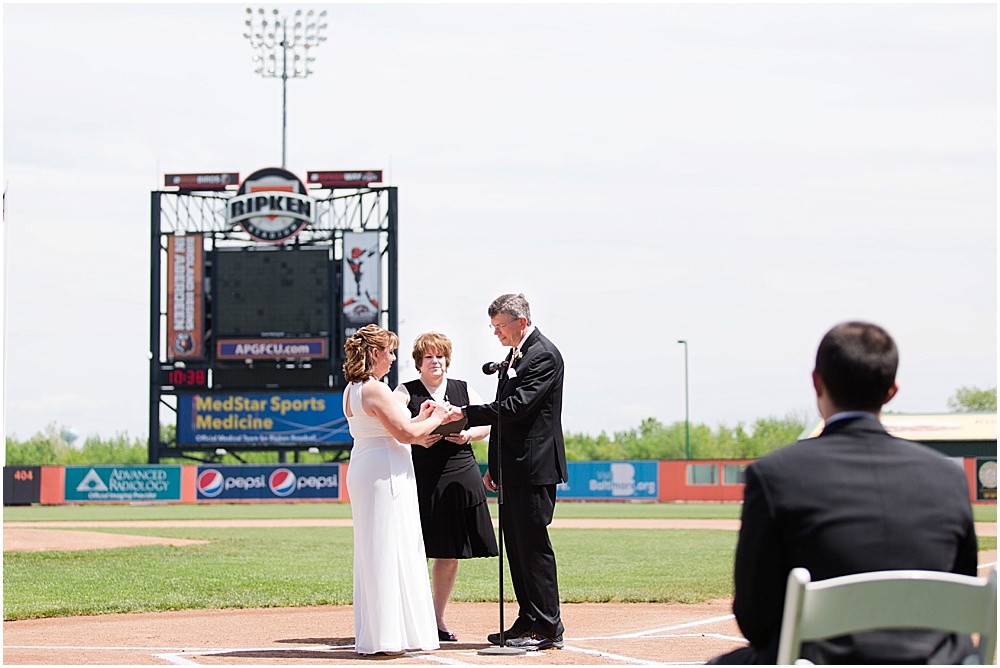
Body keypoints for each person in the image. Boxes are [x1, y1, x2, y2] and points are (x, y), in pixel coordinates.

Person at [709, 321, 979, 665]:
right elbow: (961, 600)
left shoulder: (775, 474)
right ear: (891, 391)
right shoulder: (948, 477)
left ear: (816, 382)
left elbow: (755, 619)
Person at [342, 324, 461, 657]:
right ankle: (390, 635)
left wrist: (421, 416)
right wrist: (437, 416)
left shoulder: (352, 389)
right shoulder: (376, 389)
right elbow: (407, 433)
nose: (393, 358)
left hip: (368, 465)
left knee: (377, 547)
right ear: (375, 354)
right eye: (389, 352)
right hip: (385, 472)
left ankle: (386, 630)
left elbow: (397, 426)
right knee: (389, 546)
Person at [459, 293, 568, 651]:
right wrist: (495, 464)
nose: (496, 334)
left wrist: (465, 414)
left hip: (534, 467)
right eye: (493, 327)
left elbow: (516, 408)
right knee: (516, 546)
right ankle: (528, 618)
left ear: (520, 322)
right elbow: (508, 421)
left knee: (533, 545)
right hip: (514, 467)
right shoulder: (517, 354)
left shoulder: (543, 355)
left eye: (500, 327)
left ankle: (548, 626)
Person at [394, 332, 499, 642]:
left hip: (460, 471)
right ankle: (410, 619)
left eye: (440, 356)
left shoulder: (463, 389)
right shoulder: (404, 391)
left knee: (449, 552)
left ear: (447, 360)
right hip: (420, 474)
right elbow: (393, 425)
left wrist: (468, 435)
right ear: (419, 363)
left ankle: (437, 618)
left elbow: (488, 423)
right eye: (429, 357)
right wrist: (416, 434)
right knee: (416, 549)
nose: (435, 361)